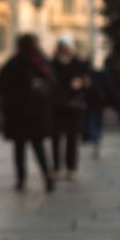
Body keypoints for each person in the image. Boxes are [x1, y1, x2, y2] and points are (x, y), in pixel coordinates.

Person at [0, 33, 57, 192]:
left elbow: (0, 88)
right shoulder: (41, 62)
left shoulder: (13, 64)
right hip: (35, 114)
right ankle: (46, 175)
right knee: (38, 146)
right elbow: (53, 85)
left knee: (20, 148)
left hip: (18, 114)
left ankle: (22, 179)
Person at [50, 36, 89, 179]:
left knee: (72, 138)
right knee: (56, 138)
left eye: (66, 47)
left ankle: (71, 167)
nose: (64, 50)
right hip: (57, 105)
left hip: (73, 105)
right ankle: (56, 167)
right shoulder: (52, 64)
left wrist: (81, 83)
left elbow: (87, 80)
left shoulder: (78, 64)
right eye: (62, 47)